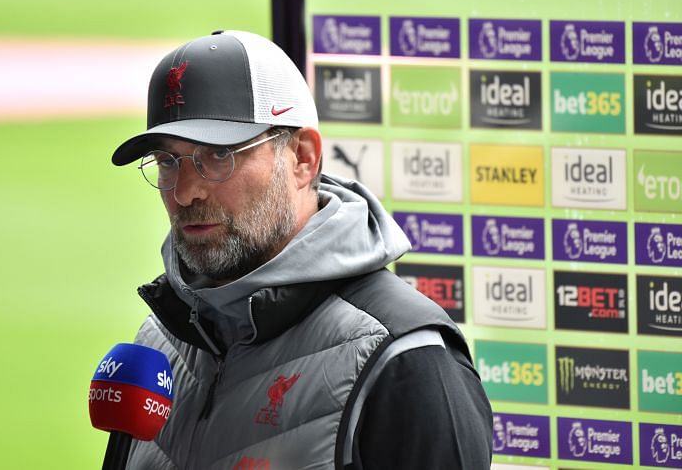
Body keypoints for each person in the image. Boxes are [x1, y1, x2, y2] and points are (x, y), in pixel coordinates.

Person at [109, 30, 492, 469]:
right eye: (167, 161)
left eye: (218, 155)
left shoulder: (406, 362)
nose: (186, 191)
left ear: (303, 158)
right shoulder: (159, 342)